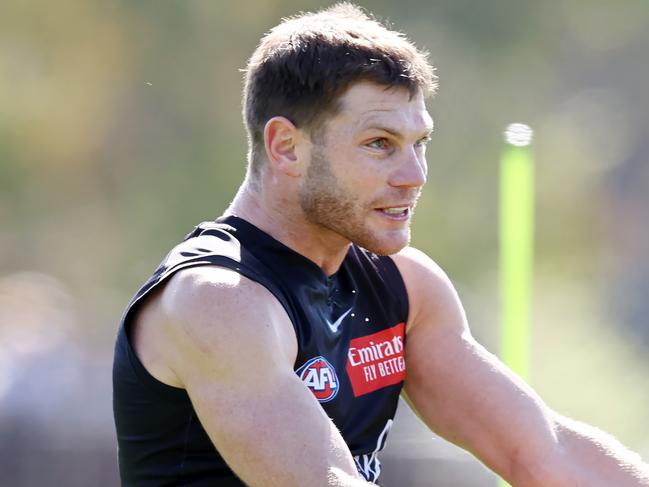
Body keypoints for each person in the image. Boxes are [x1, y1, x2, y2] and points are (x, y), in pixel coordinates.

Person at [112, 3, 649, 486]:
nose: (414, 175)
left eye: (420, 144)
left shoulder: (406, 287)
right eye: (379, 145)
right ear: (285, 146)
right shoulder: (220, 301)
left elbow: (545, 454)